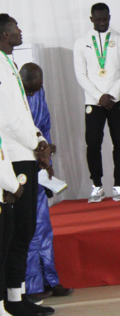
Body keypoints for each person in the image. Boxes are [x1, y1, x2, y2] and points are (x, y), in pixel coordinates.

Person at [0, 15, 54, 316]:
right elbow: (7, 119)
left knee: (26, 228)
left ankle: (17, 295)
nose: (21, 32)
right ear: (5, 33)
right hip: (13, 156)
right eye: (16, 28)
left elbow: (23, 114)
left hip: (26, 150)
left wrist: (39, 139)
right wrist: (37, 144)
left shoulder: (8, 62)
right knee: (17, 231)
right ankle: (11, 300)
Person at [19, 65, 72, 303]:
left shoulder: (39, 91)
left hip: (41, 167)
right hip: (21, 167)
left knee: (44, 228)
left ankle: (51, 281)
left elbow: (45, 124)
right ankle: (32, 286)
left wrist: (48, 148)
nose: (36, 92)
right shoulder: (12, 95)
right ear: (22, 83)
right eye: (32, 88)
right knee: (29, 229)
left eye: (39, 87)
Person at [72, 3, 120, 203]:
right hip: (93, 101)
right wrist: (99, 96)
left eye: (105, 19)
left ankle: (118, 186)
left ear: (109, 16)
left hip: (116, 100)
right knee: (93, 144)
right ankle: (97, 186)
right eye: (98, 19)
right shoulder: (81, 43)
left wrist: (112, 95)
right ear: (91, 19)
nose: (102, 23)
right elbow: (81, 75)